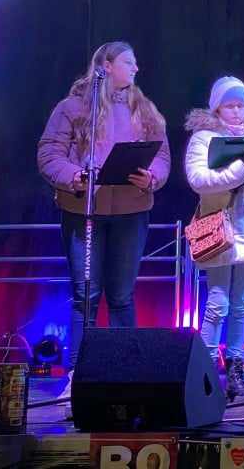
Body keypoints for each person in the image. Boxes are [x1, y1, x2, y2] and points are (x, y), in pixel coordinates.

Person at [37, 41, 170, 388]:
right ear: (107, 66)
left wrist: (151, 177)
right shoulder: (72, 107)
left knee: (122, 296)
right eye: (129, 62)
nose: (136, 68)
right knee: (86, 296)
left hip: (131, 210)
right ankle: (80, 376)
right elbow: (49, 154)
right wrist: (74, 176)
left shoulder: (145, 110)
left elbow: (162, 156)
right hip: (84, 211)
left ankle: (124, 374)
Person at [184, 76, 244, 400]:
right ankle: (206, 371)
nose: (237, 111)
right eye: (230, 105)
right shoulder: (204, 138)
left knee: (240, 305)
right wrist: (243, 168)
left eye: (241, 106)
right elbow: (198, 180)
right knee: (218, 302)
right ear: (217, 108)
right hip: (219, 225)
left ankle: (236, 371)